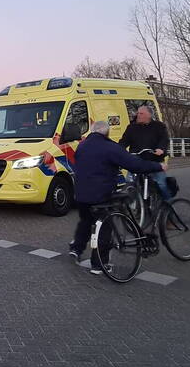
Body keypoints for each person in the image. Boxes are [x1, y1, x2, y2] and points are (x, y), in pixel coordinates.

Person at [70, 121, 167, 274]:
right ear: (106, 133)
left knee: (86, 221)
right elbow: (134, 165)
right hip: (101, 194)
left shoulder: (81, 146)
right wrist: (157, 166)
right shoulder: (110, 147)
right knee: (105, 226)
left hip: (81, 194)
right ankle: (99, 264)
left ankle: (76, 249)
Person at [118, 104, 172, 200]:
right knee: (129, 183)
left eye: (141, 113)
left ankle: (168, 206)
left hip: (154, 160)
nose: (138, 115)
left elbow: (164, 139)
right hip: (136, 161)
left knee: (161, 184)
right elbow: (124, 141)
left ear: (149, 115)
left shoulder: (159, 126)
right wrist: (119, 150)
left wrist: (160, 149)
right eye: (138, 113)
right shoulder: (131, 127)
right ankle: (134, 207)